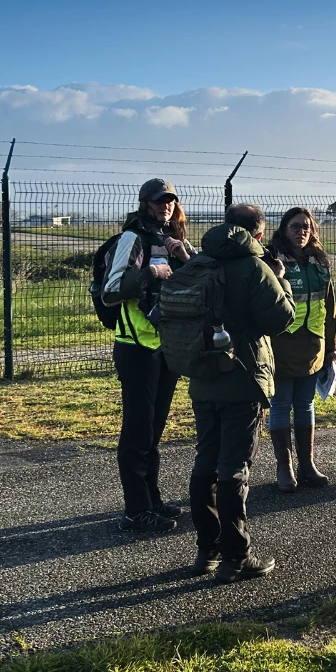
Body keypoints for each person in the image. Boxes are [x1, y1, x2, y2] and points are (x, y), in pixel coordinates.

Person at [188, 203, 295, 582]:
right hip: (243, 377)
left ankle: (207, 551)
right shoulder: (254, 266)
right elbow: (282, 318)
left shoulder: (199, 262)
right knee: (234, 468)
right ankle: (237, 555)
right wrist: (280, 279)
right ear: (258, 233)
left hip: (202, 376)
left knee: (205, 463)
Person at [102, 178, 196, 532]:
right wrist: (149, 273)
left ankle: (151, 500)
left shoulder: (172, 240)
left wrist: (183, 255)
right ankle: (135, 510)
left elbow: (199, 278)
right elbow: (111, 292)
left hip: (164, 347)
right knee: (138, 430)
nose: (166, 206)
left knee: (154, 429)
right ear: (144, 203)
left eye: (170, 200)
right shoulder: (133, 239)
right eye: (159, 201)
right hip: (136, 348)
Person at [267, 207, 336, 493]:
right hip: (282, 343)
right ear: (284, 229)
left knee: (306, 404)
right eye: (295, 226)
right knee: (281, 405)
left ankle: (307, 465)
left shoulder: (318, 262)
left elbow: (330, 308)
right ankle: (284, 467)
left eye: (307, 227)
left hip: (313, 344)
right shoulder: (272, 259)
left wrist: (332, 346)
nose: (302, 231)